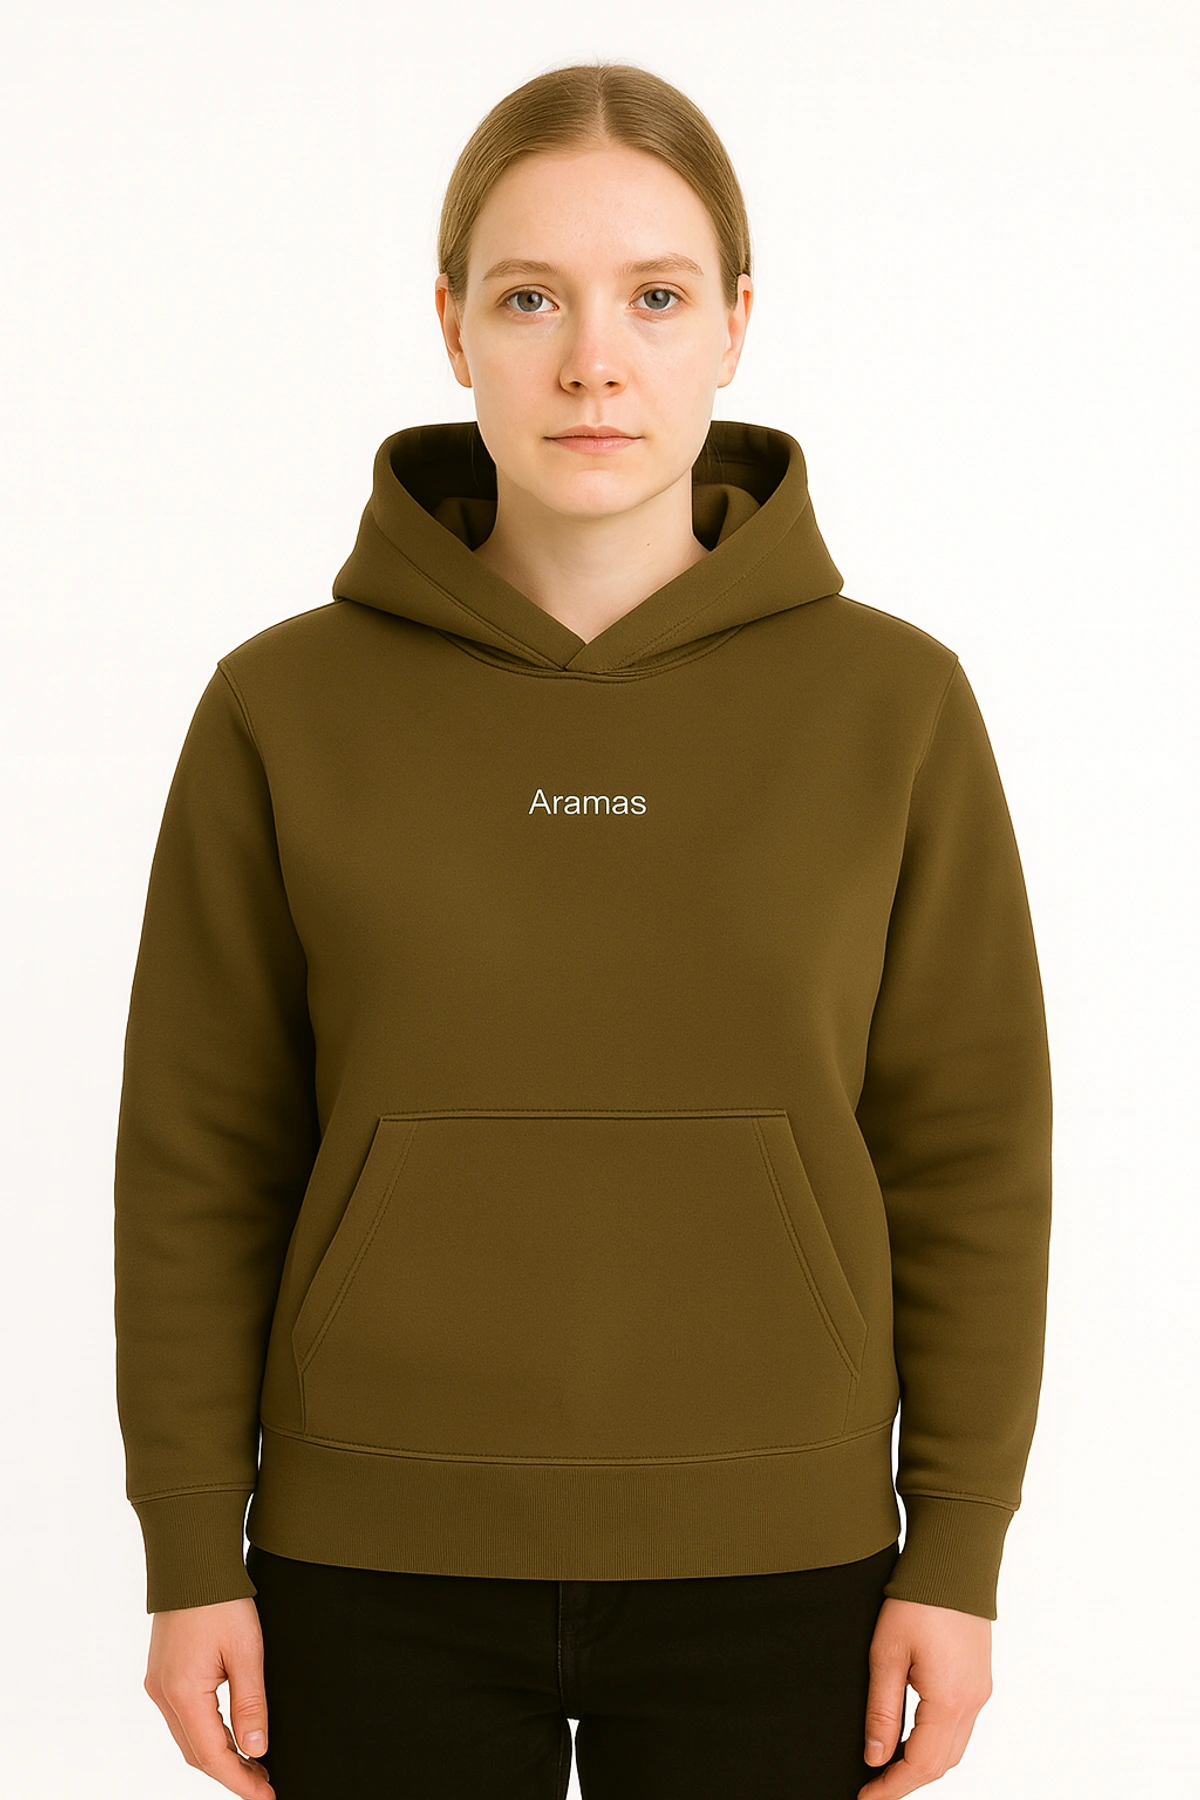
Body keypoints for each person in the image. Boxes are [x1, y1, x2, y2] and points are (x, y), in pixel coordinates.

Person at [114, 60, 1053, 1800]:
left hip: (785, 1559)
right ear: (453, 327)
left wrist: (959, 1548)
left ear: (738, 324)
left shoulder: (896, 706)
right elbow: (200, 1154)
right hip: (367, 1558)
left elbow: (970, 1152)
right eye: (531, 297)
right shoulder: (280, 707)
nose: (594, 362)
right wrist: (188, 1546)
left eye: (657, 297)